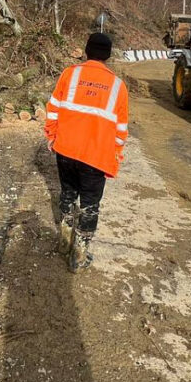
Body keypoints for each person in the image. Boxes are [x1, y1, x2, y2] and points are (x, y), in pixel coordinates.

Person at [44, 32, 129, 272]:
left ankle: (64, 243)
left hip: (65, 150)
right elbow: (121, 130)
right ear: (108, 55)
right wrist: (116, 154)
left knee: (67, 195)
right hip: (96, 157)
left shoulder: (70, 74)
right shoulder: (118, 86)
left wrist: (51, 135)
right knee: (90, 205)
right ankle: (79, 256)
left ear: (86, 51)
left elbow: (53, 109)